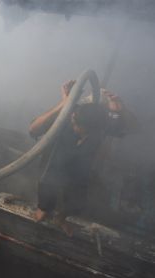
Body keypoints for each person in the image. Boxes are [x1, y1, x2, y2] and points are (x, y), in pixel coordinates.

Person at [29, 80, 109, 235]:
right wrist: (65, 103)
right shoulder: (68, 114)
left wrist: (62, 215)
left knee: (78, 196)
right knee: (49, 180)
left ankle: (61, 217)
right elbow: (33, 129)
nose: (73, 123)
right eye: (73, 119)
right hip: (52, 167)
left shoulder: (98, 127)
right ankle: (44, 208)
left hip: (78, 171)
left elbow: (130, 127)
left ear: (89, 129)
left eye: (76, 124)